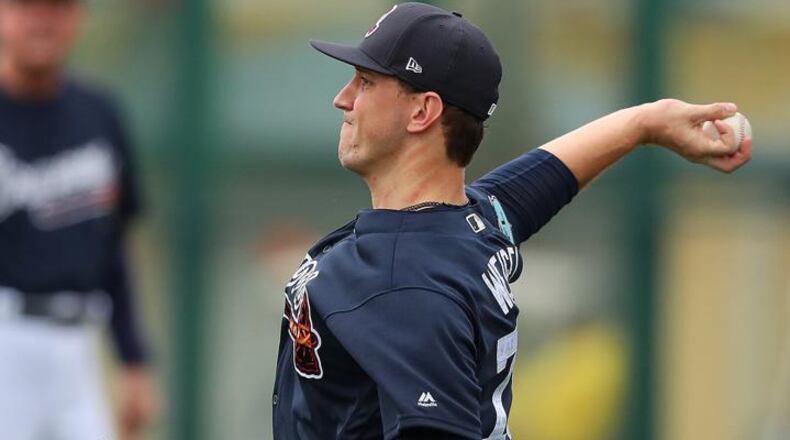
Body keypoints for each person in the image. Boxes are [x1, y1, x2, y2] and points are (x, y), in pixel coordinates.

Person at [271, 3, 751, 439]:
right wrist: (645, 123)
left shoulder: (404, 284)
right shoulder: (465, 228)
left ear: (422, 110)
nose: (343, 98)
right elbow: (536, 183)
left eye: (366, 81)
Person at [0, 0, 157, 438]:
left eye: (58, 8)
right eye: (28, 6)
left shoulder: (100, 115)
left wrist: (133, 358)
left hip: (78, 348)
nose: (42, 21)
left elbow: (112, 248)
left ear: (78, 19)